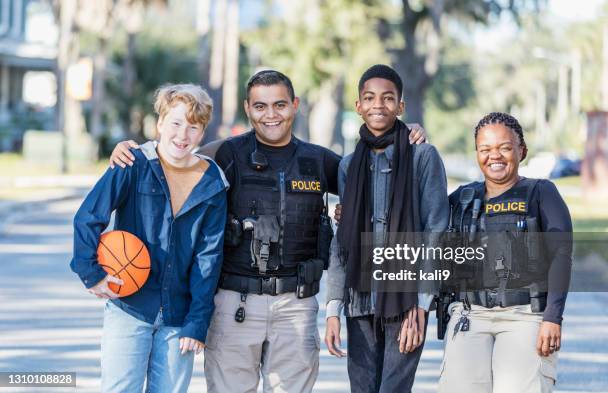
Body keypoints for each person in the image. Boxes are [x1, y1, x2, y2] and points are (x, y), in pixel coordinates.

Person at [109, 70, 427, 393]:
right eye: (260, 107)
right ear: (248, 108)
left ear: (295, 105)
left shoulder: (318, 161)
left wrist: (404, 133)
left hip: (295, 308)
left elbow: (371, 172)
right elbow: (173, 153)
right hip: (234, 306)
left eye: (280, 105)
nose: (271, 115)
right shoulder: (224, 155)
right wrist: (132, 151)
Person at [70, 84, 228, 393]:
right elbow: (88, 217)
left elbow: (208, 258)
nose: (182, 135)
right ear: (160, 124)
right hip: (130, 307)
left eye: (193, 127)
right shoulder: (133, 163)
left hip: (178, 317)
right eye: (176, 123)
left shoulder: (212, 182)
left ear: (202, 132)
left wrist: (197, 322)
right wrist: (92, 275)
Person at [325, 64, 449, 393]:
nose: (378, 104)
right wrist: (333, 307)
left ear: (401, 106)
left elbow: (436, 231)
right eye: (369, 97)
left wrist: (421, 305)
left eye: (388, 98)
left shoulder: (423, 157)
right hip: (359, 300)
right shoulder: (349, 165)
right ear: (358, 106)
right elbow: (343, 240)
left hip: (405, 299)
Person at [438, 112, 572, 393]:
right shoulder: (462, 198)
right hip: (470, 315)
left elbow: (562, 256)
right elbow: (419, 216)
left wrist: (552, 317)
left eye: (504, 147)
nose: (494, 156)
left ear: (521, 151)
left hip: (525, 315)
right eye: (485, 149)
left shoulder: (541, 193)